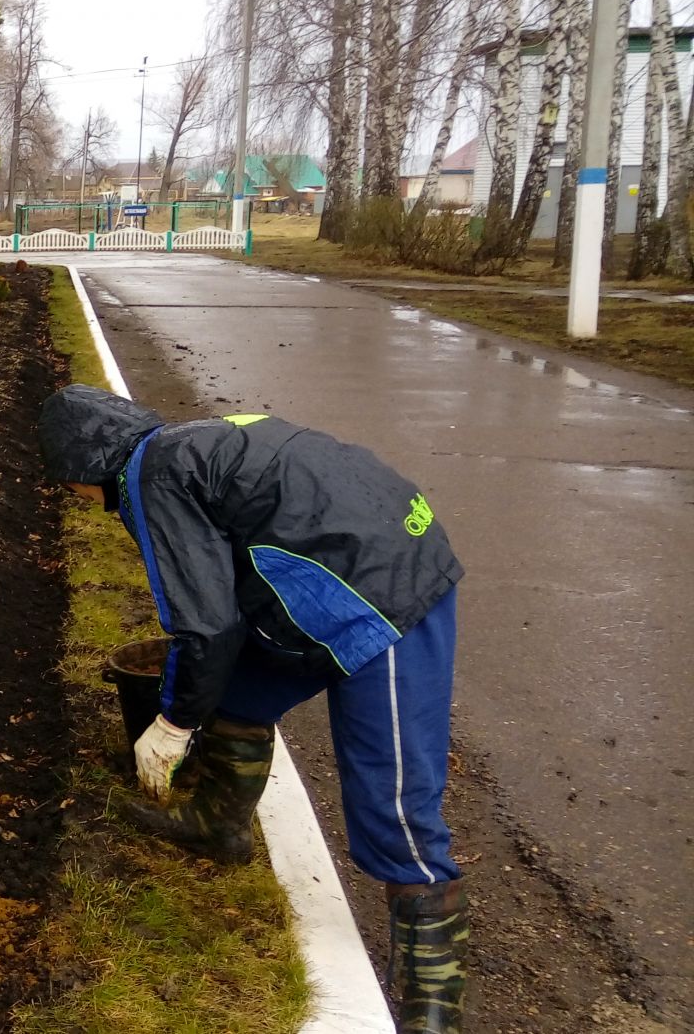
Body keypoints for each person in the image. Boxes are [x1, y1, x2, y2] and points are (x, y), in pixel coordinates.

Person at [39, 385, 469, 1034]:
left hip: (382, 587)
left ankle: (434, 1005)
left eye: (63, 482)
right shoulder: (180, 445)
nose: (70, 496)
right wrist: (198, 700)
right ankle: (219, 825)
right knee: (237, 693)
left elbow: (204, 626)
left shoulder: (148, 479)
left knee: (394, 809)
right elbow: (225, 611)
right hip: (357, 546)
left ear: (82, 467)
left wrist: (172, 723)